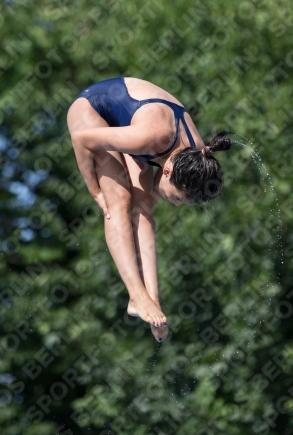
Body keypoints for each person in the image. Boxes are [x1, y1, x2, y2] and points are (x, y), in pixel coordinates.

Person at [67, 76, 232, 342]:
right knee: (118, 201)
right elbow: (81, 139)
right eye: (178, 199)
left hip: (133, 126)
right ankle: (135, 295)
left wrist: (154, 303)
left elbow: (143, 220)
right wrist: (95, 191)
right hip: (93, 109)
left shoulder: (199, 159)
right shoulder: (152, 138)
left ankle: (149, 299)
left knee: (142, 209)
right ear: (167, 170)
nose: (176, 205)